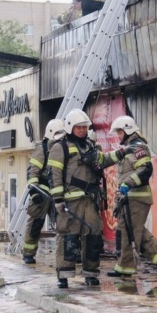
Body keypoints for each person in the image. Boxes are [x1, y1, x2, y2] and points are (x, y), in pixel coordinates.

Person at [95, 116, 157, 277]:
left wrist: (127, 184)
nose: (118, 136)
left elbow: (145, 170)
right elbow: (108, 159)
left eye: (119, 132)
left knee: (126, 230)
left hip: (137, 197)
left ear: (127, 130)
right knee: (134, 230)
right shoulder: (129, 148)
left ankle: (125, 267)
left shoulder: (139, 148)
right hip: (130, 198)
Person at [47, 109, 105, 288]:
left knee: (94, 234)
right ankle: (63, 275)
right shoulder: (60, 147)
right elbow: (54, 174)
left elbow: (103, 162)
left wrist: (122, 153)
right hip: (69, 202)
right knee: (67, 236)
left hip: (90, 200)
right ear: (70, 127)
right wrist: (58, 200)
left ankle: (91, 273)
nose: (83, 130)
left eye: (85, 127)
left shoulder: (90, 146)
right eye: (79, 127)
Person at [22, 119, 66, 264]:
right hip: (42, 193)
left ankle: (66, 255)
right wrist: (34, 191)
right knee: (35, 224)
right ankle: (28, 253)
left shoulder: (62, 148)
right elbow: (32, 171)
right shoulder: (42, 149)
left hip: (58, 193)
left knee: (63, 225)